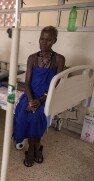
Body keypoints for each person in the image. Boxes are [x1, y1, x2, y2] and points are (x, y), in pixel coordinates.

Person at [13, 26, 65, 167]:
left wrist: (40, 100)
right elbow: (27, 82)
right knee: (24, 114)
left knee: (37, 117)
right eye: (42, 39)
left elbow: (56, 85)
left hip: (47, 97)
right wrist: (31, 101)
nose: (44, 42)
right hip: (30, 95)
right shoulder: (32, 58)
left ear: (54, 41)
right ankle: (34, 148)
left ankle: (33, 148)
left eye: (48, 40)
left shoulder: (59, 60)